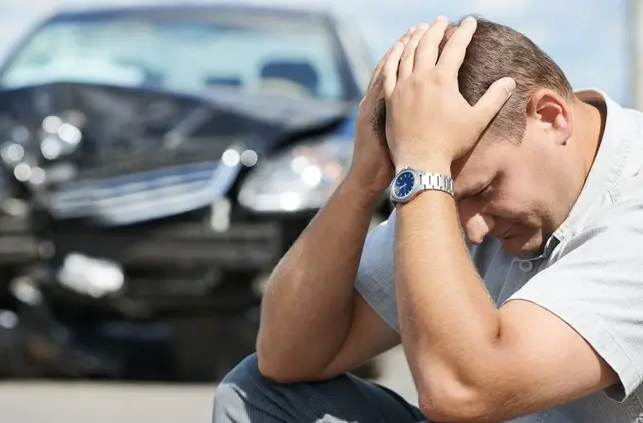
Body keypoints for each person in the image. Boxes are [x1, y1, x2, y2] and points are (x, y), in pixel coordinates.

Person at [211, 14, 643, 423]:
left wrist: (425, 170)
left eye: (483, 190)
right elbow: (287, 355)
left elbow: (460, 391)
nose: (472, 231)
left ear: (550, 117)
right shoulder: (442, 185)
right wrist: (362, 182)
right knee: (257, 395)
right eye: (450, 204)